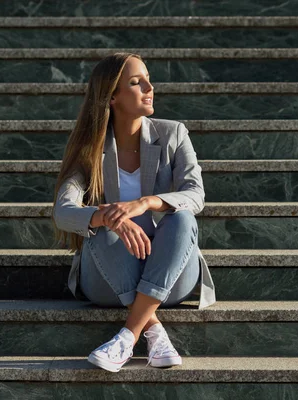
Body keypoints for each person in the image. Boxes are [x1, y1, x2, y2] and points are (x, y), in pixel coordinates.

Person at [51, 52, 216, 373]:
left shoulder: (173, 134)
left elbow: (195, 196)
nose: (149, 88)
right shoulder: (91, 148)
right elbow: (63, 211)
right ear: (112, 96)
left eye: (148, 79)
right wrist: (108, 216)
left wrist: (146, 203)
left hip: (173, 277)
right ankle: (150, 329)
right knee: (99, 220)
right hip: (106, 280)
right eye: (136, 83)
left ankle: (127, 335)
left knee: (182, 215)